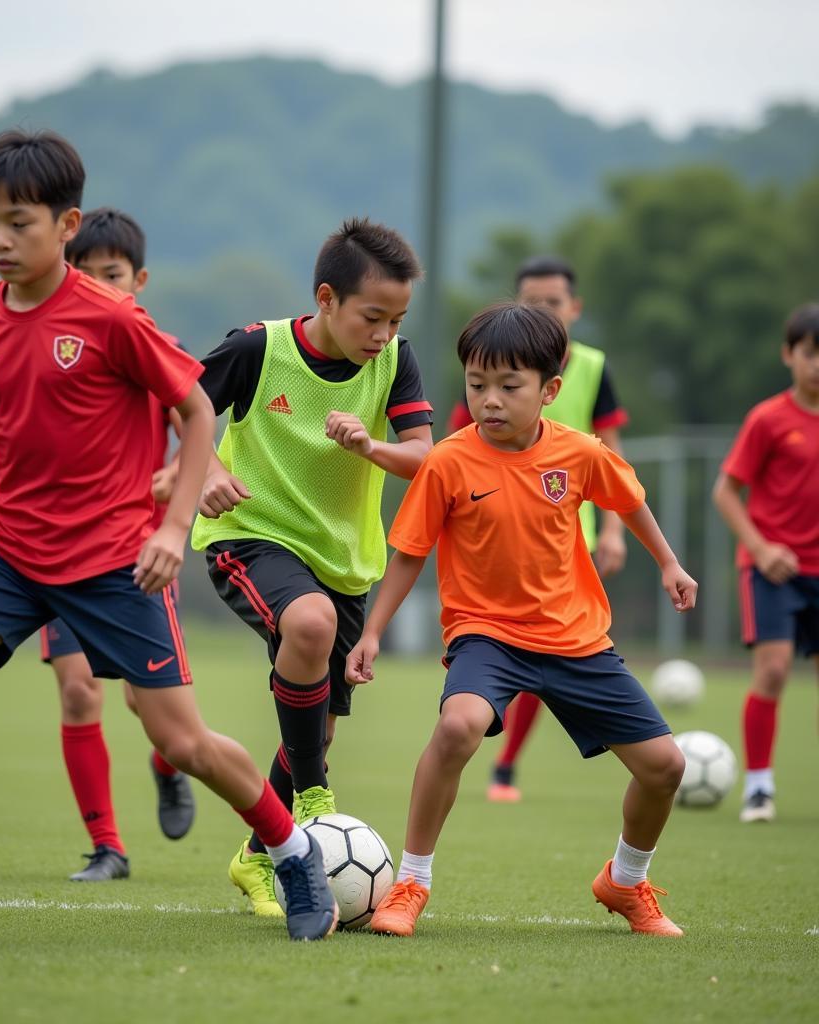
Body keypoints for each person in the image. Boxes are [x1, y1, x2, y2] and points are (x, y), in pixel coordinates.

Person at [0, 129, 336, 943]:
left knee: (180, 741)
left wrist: (175, 527)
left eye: (20, 223)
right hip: (7, 550)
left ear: (67, 223)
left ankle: (291, 852)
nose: (1, 241)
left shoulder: (113, 317)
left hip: (112, 563)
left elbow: (193, 412)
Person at [347, 301, 695, 939]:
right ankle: (410, 883)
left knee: (666, 767)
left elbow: (632, 500)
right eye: (477, 386)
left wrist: (670, 565)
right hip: (487, 634)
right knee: (458, 726)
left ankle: (624, 880)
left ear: (549, 390)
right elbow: (408, 556)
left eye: (510, 387)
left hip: (576, 639)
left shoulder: (581, 453)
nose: (490, 401)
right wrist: (372, 631)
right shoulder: (447, 462)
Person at [190, 218, 433, 916]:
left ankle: (257, 855)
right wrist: (204, 469)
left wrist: (372, 448)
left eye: (397, 319)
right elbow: (184, 413)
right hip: (250, 534)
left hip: (345, 560)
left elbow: (425, 457)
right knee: (309, 622)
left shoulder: (395, 361)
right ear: (326, 298)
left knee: (316, 725)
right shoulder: (255, 349)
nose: (384, 333)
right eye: (372, 316)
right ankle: (314, 799)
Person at [41, 208, 194, 883]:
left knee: (148, 708)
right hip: (47, 549)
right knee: (78, 694)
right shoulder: (47, 341)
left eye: (113, 276)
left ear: (139, 280)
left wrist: (174, 482)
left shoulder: (150, 342)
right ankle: (107, 846)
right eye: (86, 273)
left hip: (134, 552)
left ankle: (168, 764)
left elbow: (196, 431)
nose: (98, 287)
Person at [448, 256, 630, 803]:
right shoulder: (496, 368)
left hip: (572, 531)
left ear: (574, 309)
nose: (541, 310)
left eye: (552, 302)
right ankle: (503, 762)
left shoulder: (595, 368)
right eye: (530, 301)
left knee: (550, 649)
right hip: (503, 521)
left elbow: (614, 458)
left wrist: (616, 533)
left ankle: (505, 764)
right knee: (518, 646)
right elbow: (456, 444)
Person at [712, 302, 819, 824]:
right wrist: (759, 548)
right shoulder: (769, 419)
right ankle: (759, 787)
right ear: (789, 355)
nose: (817, 363)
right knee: (773, 670)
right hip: (773, 568)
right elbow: (727, 491)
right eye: (809, 353)